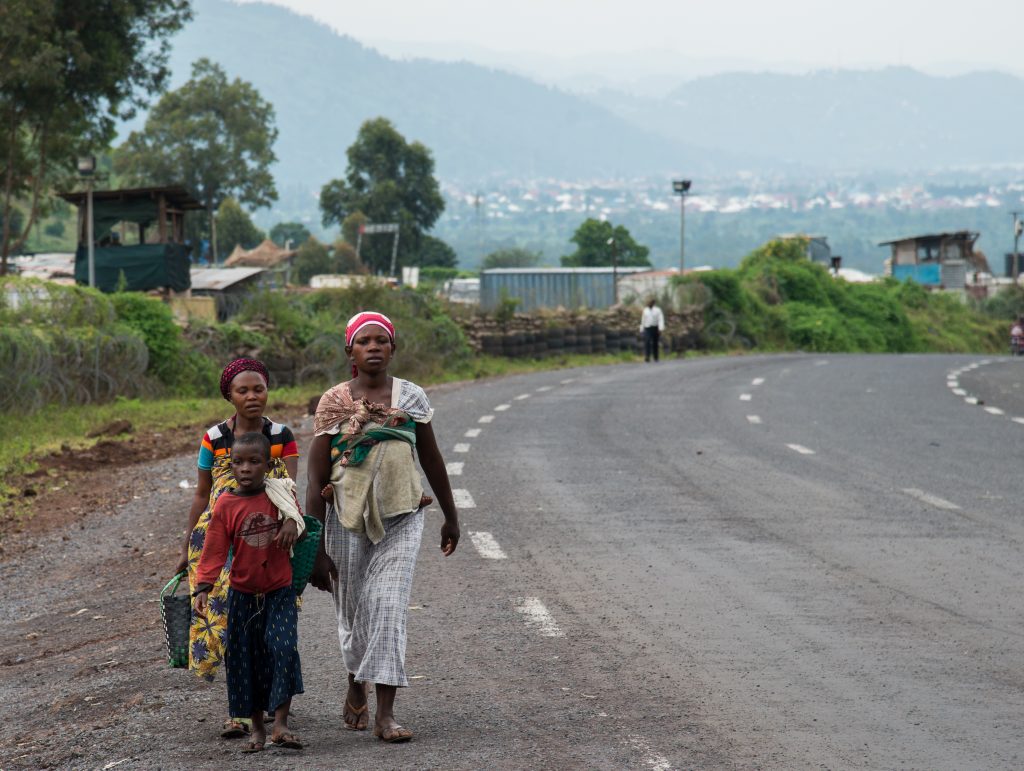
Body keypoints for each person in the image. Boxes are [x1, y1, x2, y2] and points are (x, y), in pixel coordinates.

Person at [306, 311, 460, 744]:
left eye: (382, 340)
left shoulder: (411, 398)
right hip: (344, 519)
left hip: (402, 516)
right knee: (353, 613)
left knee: (389, 607)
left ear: (394, 348)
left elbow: (431, 458)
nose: (374, 347)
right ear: (350, 351)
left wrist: (451, 515)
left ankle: (386, 715)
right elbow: (316, 477)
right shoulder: (335, 401)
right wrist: (313, 544)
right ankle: (356, 677)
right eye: (364, 341)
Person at [175, 357, 299, 739]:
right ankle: (241, 713)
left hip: (269, 541)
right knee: (229, 628)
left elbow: (289, 490)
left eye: (258, 388)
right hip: (217, 540)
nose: (251, 396)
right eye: (242, 390)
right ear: (229, 394)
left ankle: (273, 709)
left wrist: (296, 525)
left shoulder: (281, 435)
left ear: (267, 391)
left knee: (272, 633)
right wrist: (185, 548)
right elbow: (201, 495)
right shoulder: (213, 438)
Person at [193, 431, 305, 754]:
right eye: (238, 462)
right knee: (247, 660)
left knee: (282, 648)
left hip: (278, 593)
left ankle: (281, 724)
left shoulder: (280, 494)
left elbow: (299, 520)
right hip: (242, 596)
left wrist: (289, 524)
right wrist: (203, 587)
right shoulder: (227, 504)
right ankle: (257, 728)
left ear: (268, 466)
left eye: (254, 462)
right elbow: (214, 549)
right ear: (230, 465)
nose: (245, 468)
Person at [640, 297, 665, 362]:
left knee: (655, 343)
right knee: (647, 342)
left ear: (653, 303)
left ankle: (655, 357)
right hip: (647, 328)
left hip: (655, 328)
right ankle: (647, 356)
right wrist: (641, 329)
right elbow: (643, 320)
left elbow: (660, 319)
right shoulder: (645, 310)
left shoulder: (658, 310)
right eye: (648, 303)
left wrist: (660, 328)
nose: (649, 304)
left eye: (650, 302)